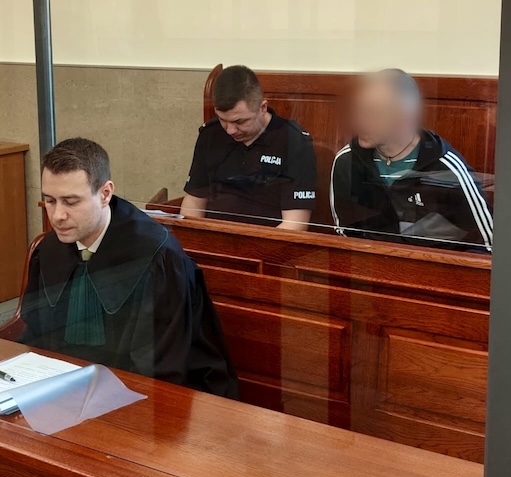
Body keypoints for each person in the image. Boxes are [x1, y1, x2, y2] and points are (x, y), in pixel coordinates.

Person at [21, 138, 239, 399]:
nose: (57, 215)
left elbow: (160, 367)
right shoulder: (49, 249)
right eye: (50, 200)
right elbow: (36, 335)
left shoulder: (157, 258)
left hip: (150, 396)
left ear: (105, 193)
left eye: (71, 201)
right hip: (64, 388)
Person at [330, 69, 493, 252]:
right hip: (370, 264)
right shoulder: (348, 160)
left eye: (372, 114)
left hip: (433, 266)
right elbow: (345, 236)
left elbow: (487, 245)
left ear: (404, 118)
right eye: (359, 110)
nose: (359, 121)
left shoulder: (446, 168)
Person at [180, 65, 317, 230]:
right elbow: (194, 200)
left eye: (239, 121)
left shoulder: (293, 141)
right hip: (214, 235)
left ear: (262, 108)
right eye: (223, 119)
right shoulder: (211, 133)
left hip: (267, 239)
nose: (230, 130)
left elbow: (296, 223)